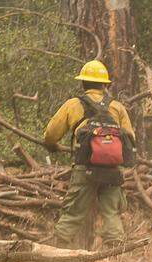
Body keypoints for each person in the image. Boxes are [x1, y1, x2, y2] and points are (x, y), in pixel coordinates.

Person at [42, 60, 135, 249]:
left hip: (85, 167)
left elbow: (50, 135)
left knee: (73, 211)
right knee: (111, 213)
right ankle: (116, 259)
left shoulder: (73, 104)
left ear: (83, 83)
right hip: (112, 169)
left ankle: (57, 254)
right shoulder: (117, 107)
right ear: (105, 84)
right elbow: (130, 137)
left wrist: (52, 146)